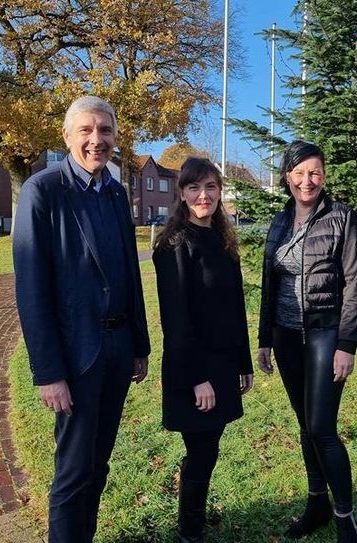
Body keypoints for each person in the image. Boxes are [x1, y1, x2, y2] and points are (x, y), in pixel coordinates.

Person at [12, 95, 151, 543]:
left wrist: (141, 345)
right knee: (73, 472)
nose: (97, 140)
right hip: (75, 358)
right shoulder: (43, 191)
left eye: (105, 130)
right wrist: (49, 373)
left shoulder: (114, 191)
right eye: (87, 130)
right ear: (68, 136)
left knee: (99, 464)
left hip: (117, 350)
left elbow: (130, 272)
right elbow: (32, 291)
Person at [257, 141, 357, 543]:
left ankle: (345, 518)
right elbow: (270, 282)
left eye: (315, 172)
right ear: (288, 177)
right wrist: (265, 339)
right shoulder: (279, 222)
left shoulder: (341, 218)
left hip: (324, 333)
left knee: (322, 427)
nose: (308, 181)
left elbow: (355, 283)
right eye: (300, 173)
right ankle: (317, 503)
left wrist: (347, 344)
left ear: (324, 176)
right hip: (286, 338)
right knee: (305, 425)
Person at [152, 157, 254, 543]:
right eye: (194, 187)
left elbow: (235, 308)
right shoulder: (175, 245)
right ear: (180, 193)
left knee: (207, 448)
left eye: (210, 186)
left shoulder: (224, 240)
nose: (203, 195)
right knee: (202, 450)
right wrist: (198, 379)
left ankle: (190, 520)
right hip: (194, 369)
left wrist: (243, 362)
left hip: (225, 363)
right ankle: (189, 532)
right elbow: (176, 319)